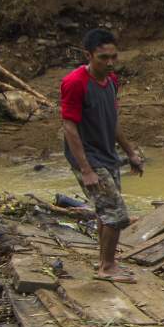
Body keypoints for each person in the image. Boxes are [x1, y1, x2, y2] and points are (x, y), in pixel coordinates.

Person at [60, 28, 144, 283]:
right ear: (89, 55)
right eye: (102, 58)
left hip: (108, 155)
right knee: (117, 214)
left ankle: (105, 262)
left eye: (113, 57)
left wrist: (130, 152)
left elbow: (113, 120)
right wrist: (85, 169)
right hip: (88, 157)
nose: (109, 63)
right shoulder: (75, 83)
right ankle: (107, 267)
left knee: (105, 212)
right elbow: (69, 126)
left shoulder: (112, 81)